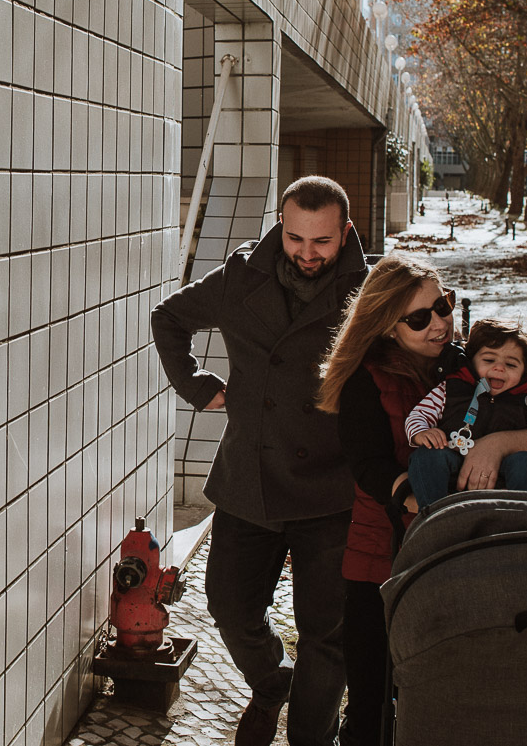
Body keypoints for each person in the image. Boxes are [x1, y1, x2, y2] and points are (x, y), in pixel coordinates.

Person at [151, 176, 367, 746]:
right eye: (295, 238)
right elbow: (169, 317)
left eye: (322, 241)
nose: (307, 253)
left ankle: (312, 737)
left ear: (345, 232)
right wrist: (197, 386)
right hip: (252, 476)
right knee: (229, 605)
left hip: (332, 485)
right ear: (280, 225)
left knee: (326, 633)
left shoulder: (368, 291)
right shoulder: (241, 277)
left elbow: (420, 350)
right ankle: (273, 682)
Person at [315, 256, 527, 746]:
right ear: (387, 325)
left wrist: (498, 444)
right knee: (373, 701)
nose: (439, 323)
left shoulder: (478, 362)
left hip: (469, 555)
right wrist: (426, 505)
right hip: (383, 558)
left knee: (450, 699)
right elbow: (371, 466)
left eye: (442, 306)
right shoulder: (367, 379)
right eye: (419, 318)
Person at [405, 317, 527, 508]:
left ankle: (524, 516)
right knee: (427, 456)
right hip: (453, 460)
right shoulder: (451, 389)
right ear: (471, 360)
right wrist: (421, 432)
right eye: (489, 360)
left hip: (505, 471)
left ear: (524, 372)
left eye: (511, 365)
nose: (499, 368)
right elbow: (419, 415)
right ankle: (434, 512)